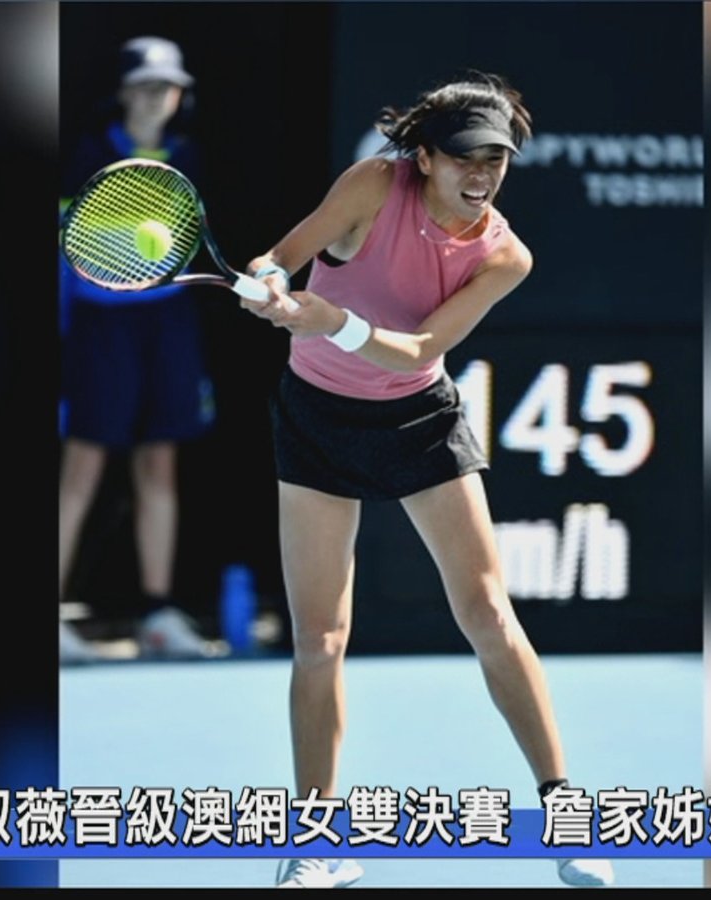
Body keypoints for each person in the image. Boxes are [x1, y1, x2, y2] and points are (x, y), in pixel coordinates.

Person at [238, 75, 616, 888]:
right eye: (463, 158)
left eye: (495, 159)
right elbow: (283, 254)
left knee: (489, 613)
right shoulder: (374, 184)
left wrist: (328, 320)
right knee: (319, 639)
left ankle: (566, 813)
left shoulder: (505, 256)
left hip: (418, 421)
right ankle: (315, 840)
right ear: (425, 158)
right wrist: (268, 279)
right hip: (315, 418)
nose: (480, 175)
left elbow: (416, 350)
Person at [59, 37, 217, 660]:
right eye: (146, 85)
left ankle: (157, 613)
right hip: (101, 326)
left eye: (168, 86)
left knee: (159, 464)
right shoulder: (85, 157)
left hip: (169, 323)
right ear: (123, 93)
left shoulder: (188, 157)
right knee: (83, 467)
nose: (157, 96)